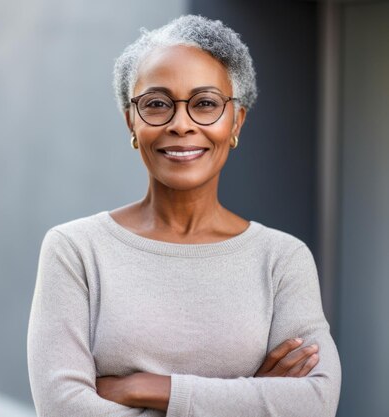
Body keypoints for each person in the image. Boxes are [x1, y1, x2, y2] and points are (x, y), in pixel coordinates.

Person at [27, 15, 341, 416]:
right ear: (131, 121)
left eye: (205, 104)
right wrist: (252, 396)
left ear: (236, 122)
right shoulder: (76, 250)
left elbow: (315, 403)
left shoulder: (281, 259)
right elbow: (62, 409)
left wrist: (149, 388)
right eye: (156, 104)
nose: (181, 124)